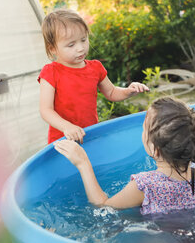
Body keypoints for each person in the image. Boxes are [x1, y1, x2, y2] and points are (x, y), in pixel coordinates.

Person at [54, 96, 195, 215]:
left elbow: (103, 206)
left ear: (155, 150)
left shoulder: (145, 186)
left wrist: (83, 164)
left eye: (144, 129)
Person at [38, 8, 149, 144]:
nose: (80, 48)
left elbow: (112, 92)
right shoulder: (51, 72)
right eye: (71, 45)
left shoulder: (95, 68)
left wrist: (129, 91)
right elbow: (46, 110)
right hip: (63, 141)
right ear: (52, 48)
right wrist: (67, 127)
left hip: (91, 135)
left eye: (83, 40)